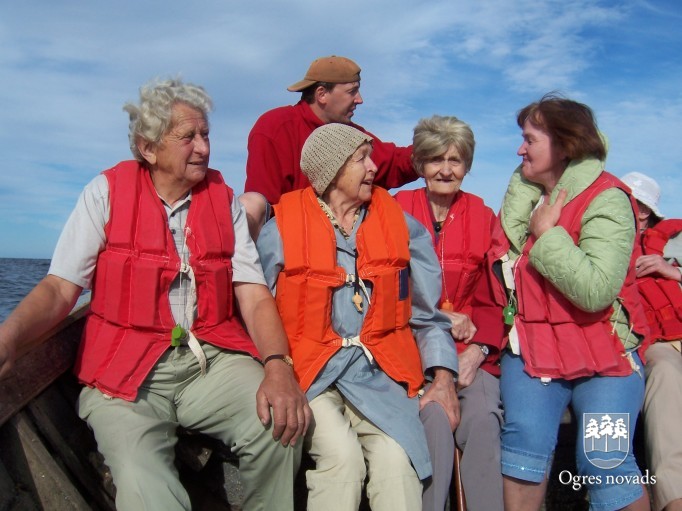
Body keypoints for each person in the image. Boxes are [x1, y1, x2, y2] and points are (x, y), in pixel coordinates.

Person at [0, 78, 311, 511]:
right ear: (148, 148)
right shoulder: (105, 192)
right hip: (121, 372)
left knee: (282, 424)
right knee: (144, 485)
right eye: (188, 137)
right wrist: (9, 338)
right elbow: (59, 288)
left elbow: (254, 295)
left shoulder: (224, 201)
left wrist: (278, 367)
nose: (203, 148)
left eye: (206, 135)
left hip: (210, 360)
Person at [256, 123, 459, 511]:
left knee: (398, 461)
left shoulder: (400, 225)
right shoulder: (279, 228)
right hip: (310, 376)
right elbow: (256, 309)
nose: (373, 168)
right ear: (332, 171)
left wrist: (443, 374)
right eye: (361, 159)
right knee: (341, 458)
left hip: (380, 374)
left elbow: (428, 315)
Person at [477, 94, 651, 511]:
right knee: (524, 447)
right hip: (532, 348)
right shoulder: (522, 199)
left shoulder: (607, 197)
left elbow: (597, 290)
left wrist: (549, 235)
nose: (520, 150)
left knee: (604, 458)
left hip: (606, 354)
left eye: (529, 139)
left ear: (564, 145)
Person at [394, 115, 503, 511]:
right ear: (420, 164)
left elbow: (498, 297)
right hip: (409, 345)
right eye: (435, 159)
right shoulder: (394, 210)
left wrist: (480, 350)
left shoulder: (484, 216)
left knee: (484, 420)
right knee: (434, 420)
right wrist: (437, 319)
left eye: (455, 160)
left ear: (467, 165)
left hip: (470, 347)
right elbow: (382, 288)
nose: (445, 169)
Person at [243, 55, 417, 209]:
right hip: (290, 231)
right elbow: (263, 207)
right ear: (322, 94)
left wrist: (431, 145)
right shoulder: (275, 127)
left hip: (348, 234)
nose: (360, 99)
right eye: (352, 91)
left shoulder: (351, 134)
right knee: (252, 204)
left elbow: (395, 163)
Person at [621, 172, 682, 511]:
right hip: (656, 344)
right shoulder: (605, 241)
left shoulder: (677, 238)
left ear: (644, 211)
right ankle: (675, 498)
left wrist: (673, 271)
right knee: (664, 373)